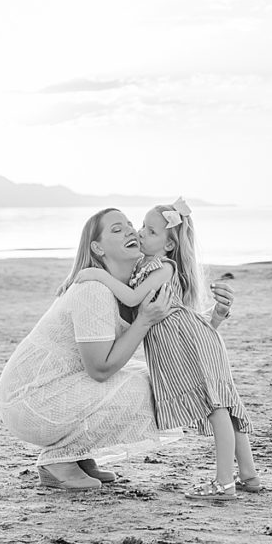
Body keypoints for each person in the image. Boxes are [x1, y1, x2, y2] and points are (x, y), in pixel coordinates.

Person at [0, 208, 235, 490]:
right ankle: (58, 460)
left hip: (60, 386)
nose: (131, 231)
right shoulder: (94, 291)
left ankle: (78, 455)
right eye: (116, 229)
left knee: (159, 377)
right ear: (97, 248)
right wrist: (144, 320)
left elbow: (181, 331)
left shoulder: (134, 285)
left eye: (131, 225)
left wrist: (216, 315)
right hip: (31, 400)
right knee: (149, 388)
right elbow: (100, 370)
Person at [74, 199, 260, 500]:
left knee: (216, 408)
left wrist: (98, 275)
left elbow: (133, 299)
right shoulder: (147, 265)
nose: (141, 233)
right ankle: (248, 474)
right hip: (184, 340)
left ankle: (224, 483)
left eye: (150, 231)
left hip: (188, 341)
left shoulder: (163, 267)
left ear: (169, 244)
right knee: (221, 404)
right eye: (142, 227)